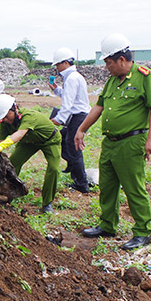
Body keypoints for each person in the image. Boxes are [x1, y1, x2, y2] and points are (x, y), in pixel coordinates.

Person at [74, 33, 151, 250]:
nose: (106, 67)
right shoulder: (113, 81)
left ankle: (142, 232)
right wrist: (81, 129)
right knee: (107, 186)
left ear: (121, 59)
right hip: (111, 143)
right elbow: (99, 106)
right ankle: (107, 225)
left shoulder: (145, 77)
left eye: (108, 62)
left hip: (131, 142)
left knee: (134, 187)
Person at [0, 94, 61, 213]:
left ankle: (47, 203)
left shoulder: (28, 116)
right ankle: (7, 195)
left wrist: (2, 146)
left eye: (7, 116)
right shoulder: (5, 122)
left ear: (14, 108)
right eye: (3, 117)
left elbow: (19, 134)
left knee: (54, 169)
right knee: (12, 164)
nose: (6, 120)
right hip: (28, 142)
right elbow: (0, 139)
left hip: (50, 140)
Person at [49, 47, 92, 193]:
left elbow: (68, 103)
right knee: (64, 139)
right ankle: (71, 165)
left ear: (65, 63)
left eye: (58, 64)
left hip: (77, 116)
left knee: (74, 147)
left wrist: (59, 119)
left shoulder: (72, 78)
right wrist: (56, 89)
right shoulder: (73, 77)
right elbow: (68, 95)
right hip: (78, 115)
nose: (57, 68)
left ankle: (81, 183)